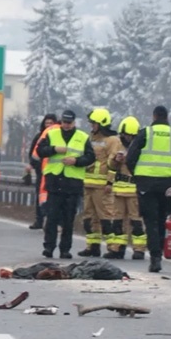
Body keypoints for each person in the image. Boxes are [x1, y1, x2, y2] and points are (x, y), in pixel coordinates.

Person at [126, 106, 171, 273]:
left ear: (154, 116)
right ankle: (158, 254)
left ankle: (154, 257)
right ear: (167, 117)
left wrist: (138, 176)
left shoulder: (145, 133)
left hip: (146, 184)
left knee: (150, 221)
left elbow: (130, 158)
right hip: (167, 185)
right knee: (161, 219)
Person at [36, 110, 96, 259]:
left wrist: (76, 161)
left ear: (74, 122)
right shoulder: (52, 134)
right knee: (52, 218)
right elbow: (39, 151)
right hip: (55, 182)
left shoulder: (82, 137)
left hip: (72, 184)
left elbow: (90, 157)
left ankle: (65, 249)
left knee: (68, 220)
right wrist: (54, 149)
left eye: (69, 123)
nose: (66, 125)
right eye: (64, 122)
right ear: (61, 122)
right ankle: (49, 247)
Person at [78, 108, 121, 259]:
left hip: (102, 185)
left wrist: (110, 181)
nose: (92, 126)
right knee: (89, 218)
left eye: (94, 123)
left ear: (101, 123)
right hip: (88, 183)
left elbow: (114, 163)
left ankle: (113, 248)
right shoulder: (91, 138)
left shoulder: (113, 140)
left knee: (106, 217)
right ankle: (93, 246)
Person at [107, 116, 147, 260]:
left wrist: (130, 160)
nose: (128, 138)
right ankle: (117, 248)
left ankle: (139, 249)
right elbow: (110, 166)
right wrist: (115, 161)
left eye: (131, 136)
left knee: (136, 221)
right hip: (119, 190)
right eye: (126, 135)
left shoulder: (141, 146)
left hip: (134, 190)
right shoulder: (118, 145)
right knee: (117, 221)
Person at [26, 114, 58, 229]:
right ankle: (39, 220)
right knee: (40, 196)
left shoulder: (58, 137)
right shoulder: (39, 137)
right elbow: (33, 153)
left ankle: (51, 220)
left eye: (51, 123)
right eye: (47, 123)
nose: (48, 125)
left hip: (54, 172)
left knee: (52, 197)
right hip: (41, 171)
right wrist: (32, 165)